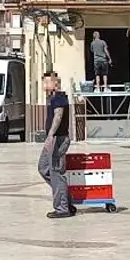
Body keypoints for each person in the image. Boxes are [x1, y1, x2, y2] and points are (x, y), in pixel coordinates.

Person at [38, 72, 74, 218]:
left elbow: (58, 116)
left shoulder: (60, 98)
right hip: (52, 139)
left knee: (56, 172)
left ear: (55, 83)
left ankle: (62, 208)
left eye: (47, 82)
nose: (44, 86)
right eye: (44, 83)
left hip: (58, 140)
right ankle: (65, 200)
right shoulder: (52, 98)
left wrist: (50, 136)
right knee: (43, 168)